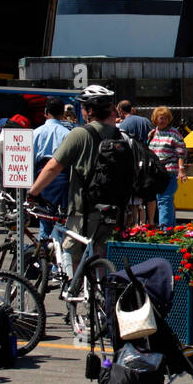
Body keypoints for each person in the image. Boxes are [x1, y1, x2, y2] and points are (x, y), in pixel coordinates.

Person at [29, 85, 124, 270]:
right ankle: (102, 295)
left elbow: (53, 167)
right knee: (101, 253)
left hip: (84, 208)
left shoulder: (80, 134)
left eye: (82, 107)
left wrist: (33, 192)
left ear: (89, 110)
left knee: (71, 253)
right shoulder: (118, 135)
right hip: (114, 207)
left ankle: (76, 293)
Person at [32, 96, 73, 243]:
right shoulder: (68, 134)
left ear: (45, 112)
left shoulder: (36, 133)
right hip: (63, 177)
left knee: (44, 219)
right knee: (61, 222)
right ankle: (59, 261)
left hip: (42, 177)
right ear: (63, 114)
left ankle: (43, 258)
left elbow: (30, 160)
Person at [148, 106, 186, 229]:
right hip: (156, 171)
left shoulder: (174, 132)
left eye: (165, 118)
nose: (163, 121)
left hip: (169, 170)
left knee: (164, 199)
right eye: (160, 118)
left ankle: (165, 228)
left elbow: (181, 151)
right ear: (155, 119)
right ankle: (170, 228)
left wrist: (181, 170)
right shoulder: (153, 133)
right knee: (163, 200)